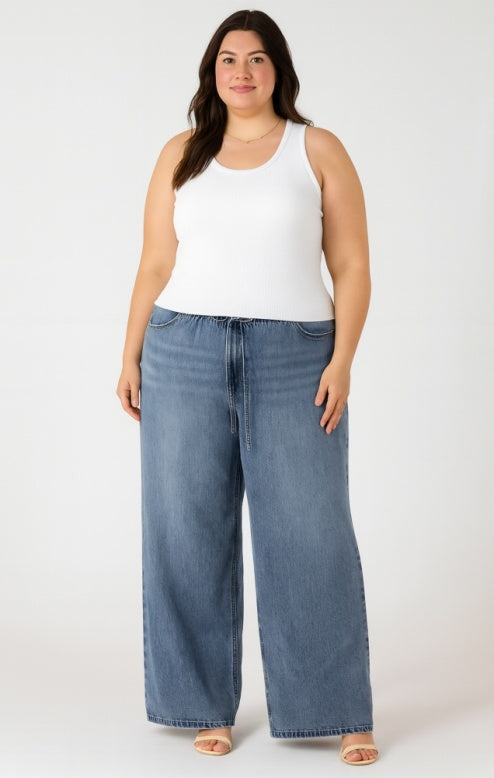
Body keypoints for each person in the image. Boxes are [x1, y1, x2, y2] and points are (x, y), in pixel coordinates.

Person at [116, 8, 379, 767]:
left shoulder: (316, 149)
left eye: (257, 59)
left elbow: (352, 265)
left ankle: (338, 709)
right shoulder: (181, 154)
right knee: (184, 528)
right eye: (228, 59)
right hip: (183, 352)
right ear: (212, 72)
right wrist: (130, 355)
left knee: (311, 533)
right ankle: (200, 703)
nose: (242, 72)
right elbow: (155, 263)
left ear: (278, 70)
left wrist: (342, 359)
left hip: (296, 358)